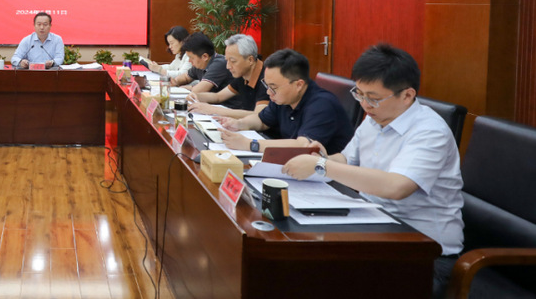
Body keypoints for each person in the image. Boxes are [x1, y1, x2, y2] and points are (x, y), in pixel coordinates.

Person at [282, 44, 463, 299]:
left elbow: (396, 187)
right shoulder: (376, 119)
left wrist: (322, 166)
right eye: (359, 94)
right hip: (376, 228)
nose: (365, 105)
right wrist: (321, 157)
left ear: (407, 95)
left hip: (425, 252)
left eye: (374, 98)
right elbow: (347, 159)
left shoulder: (429, 131)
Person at [218, 48, 353, 154]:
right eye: (267, 85)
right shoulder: (283, 97)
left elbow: (303, 146)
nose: (268, 92)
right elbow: (262, 120)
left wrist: (250, 144)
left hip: (327, 176)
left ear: (298, 85)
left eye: (273, 87)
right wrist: (239, 124)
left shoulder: (322, 105)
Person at [188, 33, 268, 119]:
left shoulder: (267, 78)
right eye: (227, 61)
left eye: (233, 61)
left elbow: (258, 115)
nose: (228, 66)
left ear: (250, 60)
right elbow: (218, 97)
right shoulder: (243, 74)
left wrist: (213, 110)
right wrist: (196, 96)